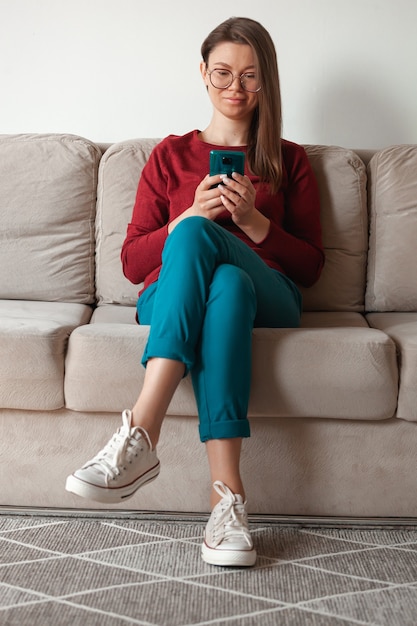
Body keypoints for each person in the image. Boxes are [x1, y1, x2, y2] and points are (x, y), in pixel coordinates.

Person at [66, 16, 324, 568]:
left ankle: (142, 431)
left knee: (230, 267)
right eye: (224, 73)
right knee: (221, 275)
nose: (236, 88)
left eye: (251, 76)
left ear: (266, 81)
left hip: (271, 295)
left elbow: (310, 268)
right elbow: (134, 262)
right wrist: (186, 216)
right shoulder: (168, 156)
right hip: (175, 295)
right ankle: (227, 502)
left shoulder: (290, 159)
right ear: (203, 73)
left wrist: (255, 223)